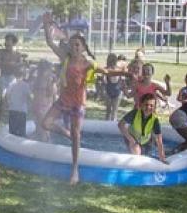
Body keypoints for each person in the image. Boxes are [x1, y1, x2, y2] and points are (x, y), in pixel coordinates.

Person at [40, 13, 126, 184]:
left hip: (78, 103)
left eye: (77, 45)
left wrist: (125, 72)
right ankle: (66, 133)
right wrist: (46, 25)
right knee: (45, 123)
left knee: (77, 135)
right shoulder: (65, 58)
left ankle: (75, 170)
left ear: (83, 47)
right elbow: (50, 42)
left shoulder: (88, 64)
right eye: (72, 45)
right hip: (63, 100)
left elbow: (107, 72)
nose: (74, 47)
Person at [118, 93, 167, 163]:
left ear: (154, 107)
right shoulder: (134, 113)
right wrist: (132, 140)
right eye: (146, 104)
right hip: (132, 138)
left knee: (145, 157)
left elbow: (159, 141)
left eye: (151, 106)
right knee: (136, 151)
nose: (148, 107)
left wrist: (162, 158)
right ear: (141, 105)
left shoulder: (155, 120)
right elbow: (121, 125)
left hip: (146, 142)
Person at [0, 33, 23, 122]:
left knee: (11, 100)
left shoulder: (17, 54)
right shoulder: (1, 52)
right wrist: (9, 64)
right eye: (6, 41)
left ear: (13, 43)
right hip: (3, 77)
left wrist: (11, 65)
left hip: (12, 78)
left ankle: (11, 120)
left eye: (8, 41)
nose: (6, 43)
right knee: (2, 99)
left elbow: (20, 66)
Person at [30, 60, 56, 142]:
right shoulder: (38, 78)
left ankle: (46, 143)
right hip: (38, 104)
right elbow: (33, 90)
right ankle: (40, 142)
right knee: (39, 125)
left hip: (43, 105)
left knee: (43, 127)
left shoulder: (49, 80)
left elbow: (51, 93)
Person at [4, 66, 31, 137]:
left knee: (12, 130)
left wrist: (8, 103)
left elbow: (7, 95)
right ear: (24, 75)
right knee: (21, 131)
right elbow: (28, 97)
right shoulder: (26, 85)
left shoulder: (11, 84)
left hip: (12, 109)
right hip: (22, 111)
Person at [104, 53, 125, 121]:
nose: (112, 62)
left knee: (114, 111)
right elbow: (103, 80)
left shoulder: (119, 69)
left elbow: (122, 80)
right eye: (110, 60)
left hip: (117, 92)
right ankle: (106, 125)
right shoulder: (105, 69)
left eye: (113, 60)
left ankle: (112, 124)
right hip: (108, 91)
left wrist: (123, 88)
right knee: (108, 110)